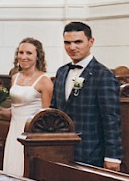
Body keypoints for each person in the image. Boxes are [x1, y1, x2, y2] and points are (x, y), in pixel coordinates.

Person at [50, 21, 123, 169]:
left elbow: (111, 119)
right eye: (67, 42)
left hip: (90, 152)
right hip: (60, 151)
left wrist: (113, 156)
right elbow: (55, 111)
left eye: (78, 42)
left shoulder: (103, 75)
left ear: (91, 42)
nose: (72, 47)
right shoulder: (62, 72)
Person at [0, 38, 53, 176]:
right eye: (21, 52)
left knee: (23, 171)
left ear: (38, 56)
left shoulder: (44, 81)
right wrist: (0, 112)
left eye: (29, 53)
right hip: (14, 130)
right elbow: (15, 110)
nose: (24, 57)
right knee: (11, 170)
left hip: (30, 134)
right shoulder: (15, 77)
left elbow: (46, 117)